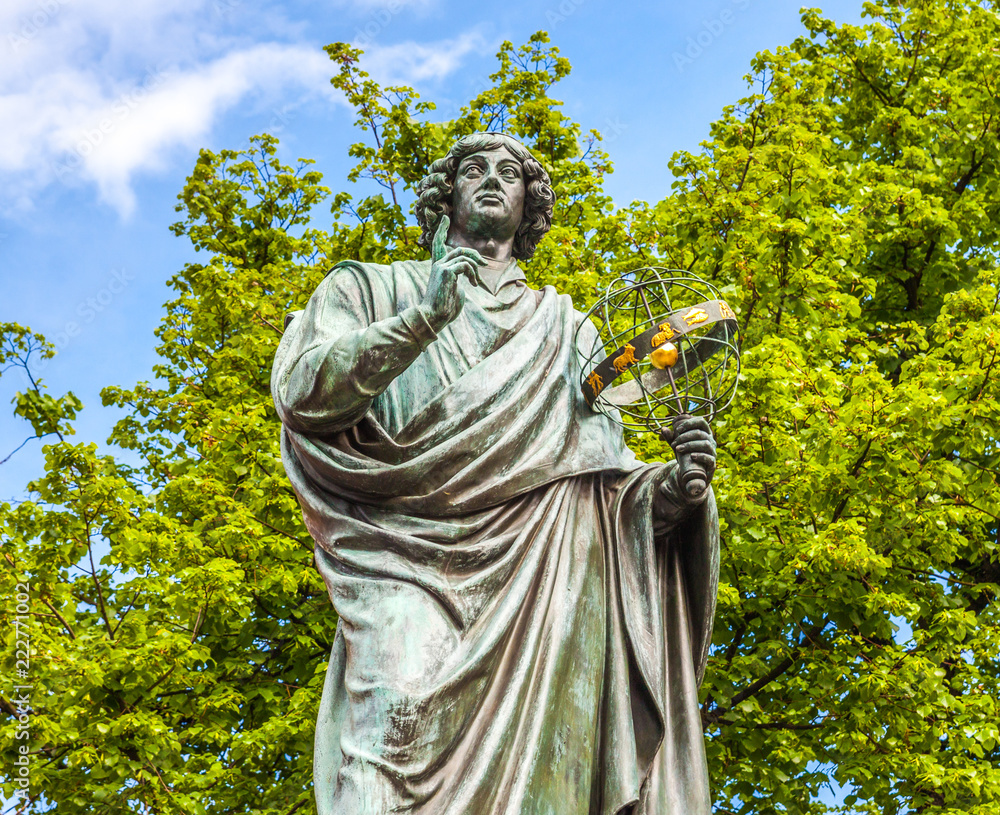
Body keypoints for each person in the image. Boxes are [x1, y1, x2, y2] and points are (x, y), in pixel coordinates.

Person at [271, 132, 720, 815]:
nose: (489, 179)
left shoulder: (568, 329)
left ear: (527, 205)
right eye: (472, 169)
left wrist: (670, 493)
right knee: (388, 726)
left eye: (508, 172)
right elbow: (304, 390)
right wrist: (422, 321)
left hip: (549, 577)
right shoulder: (370, 287)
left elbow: (599, 484)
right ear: (444, 196)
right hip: (404, 558)